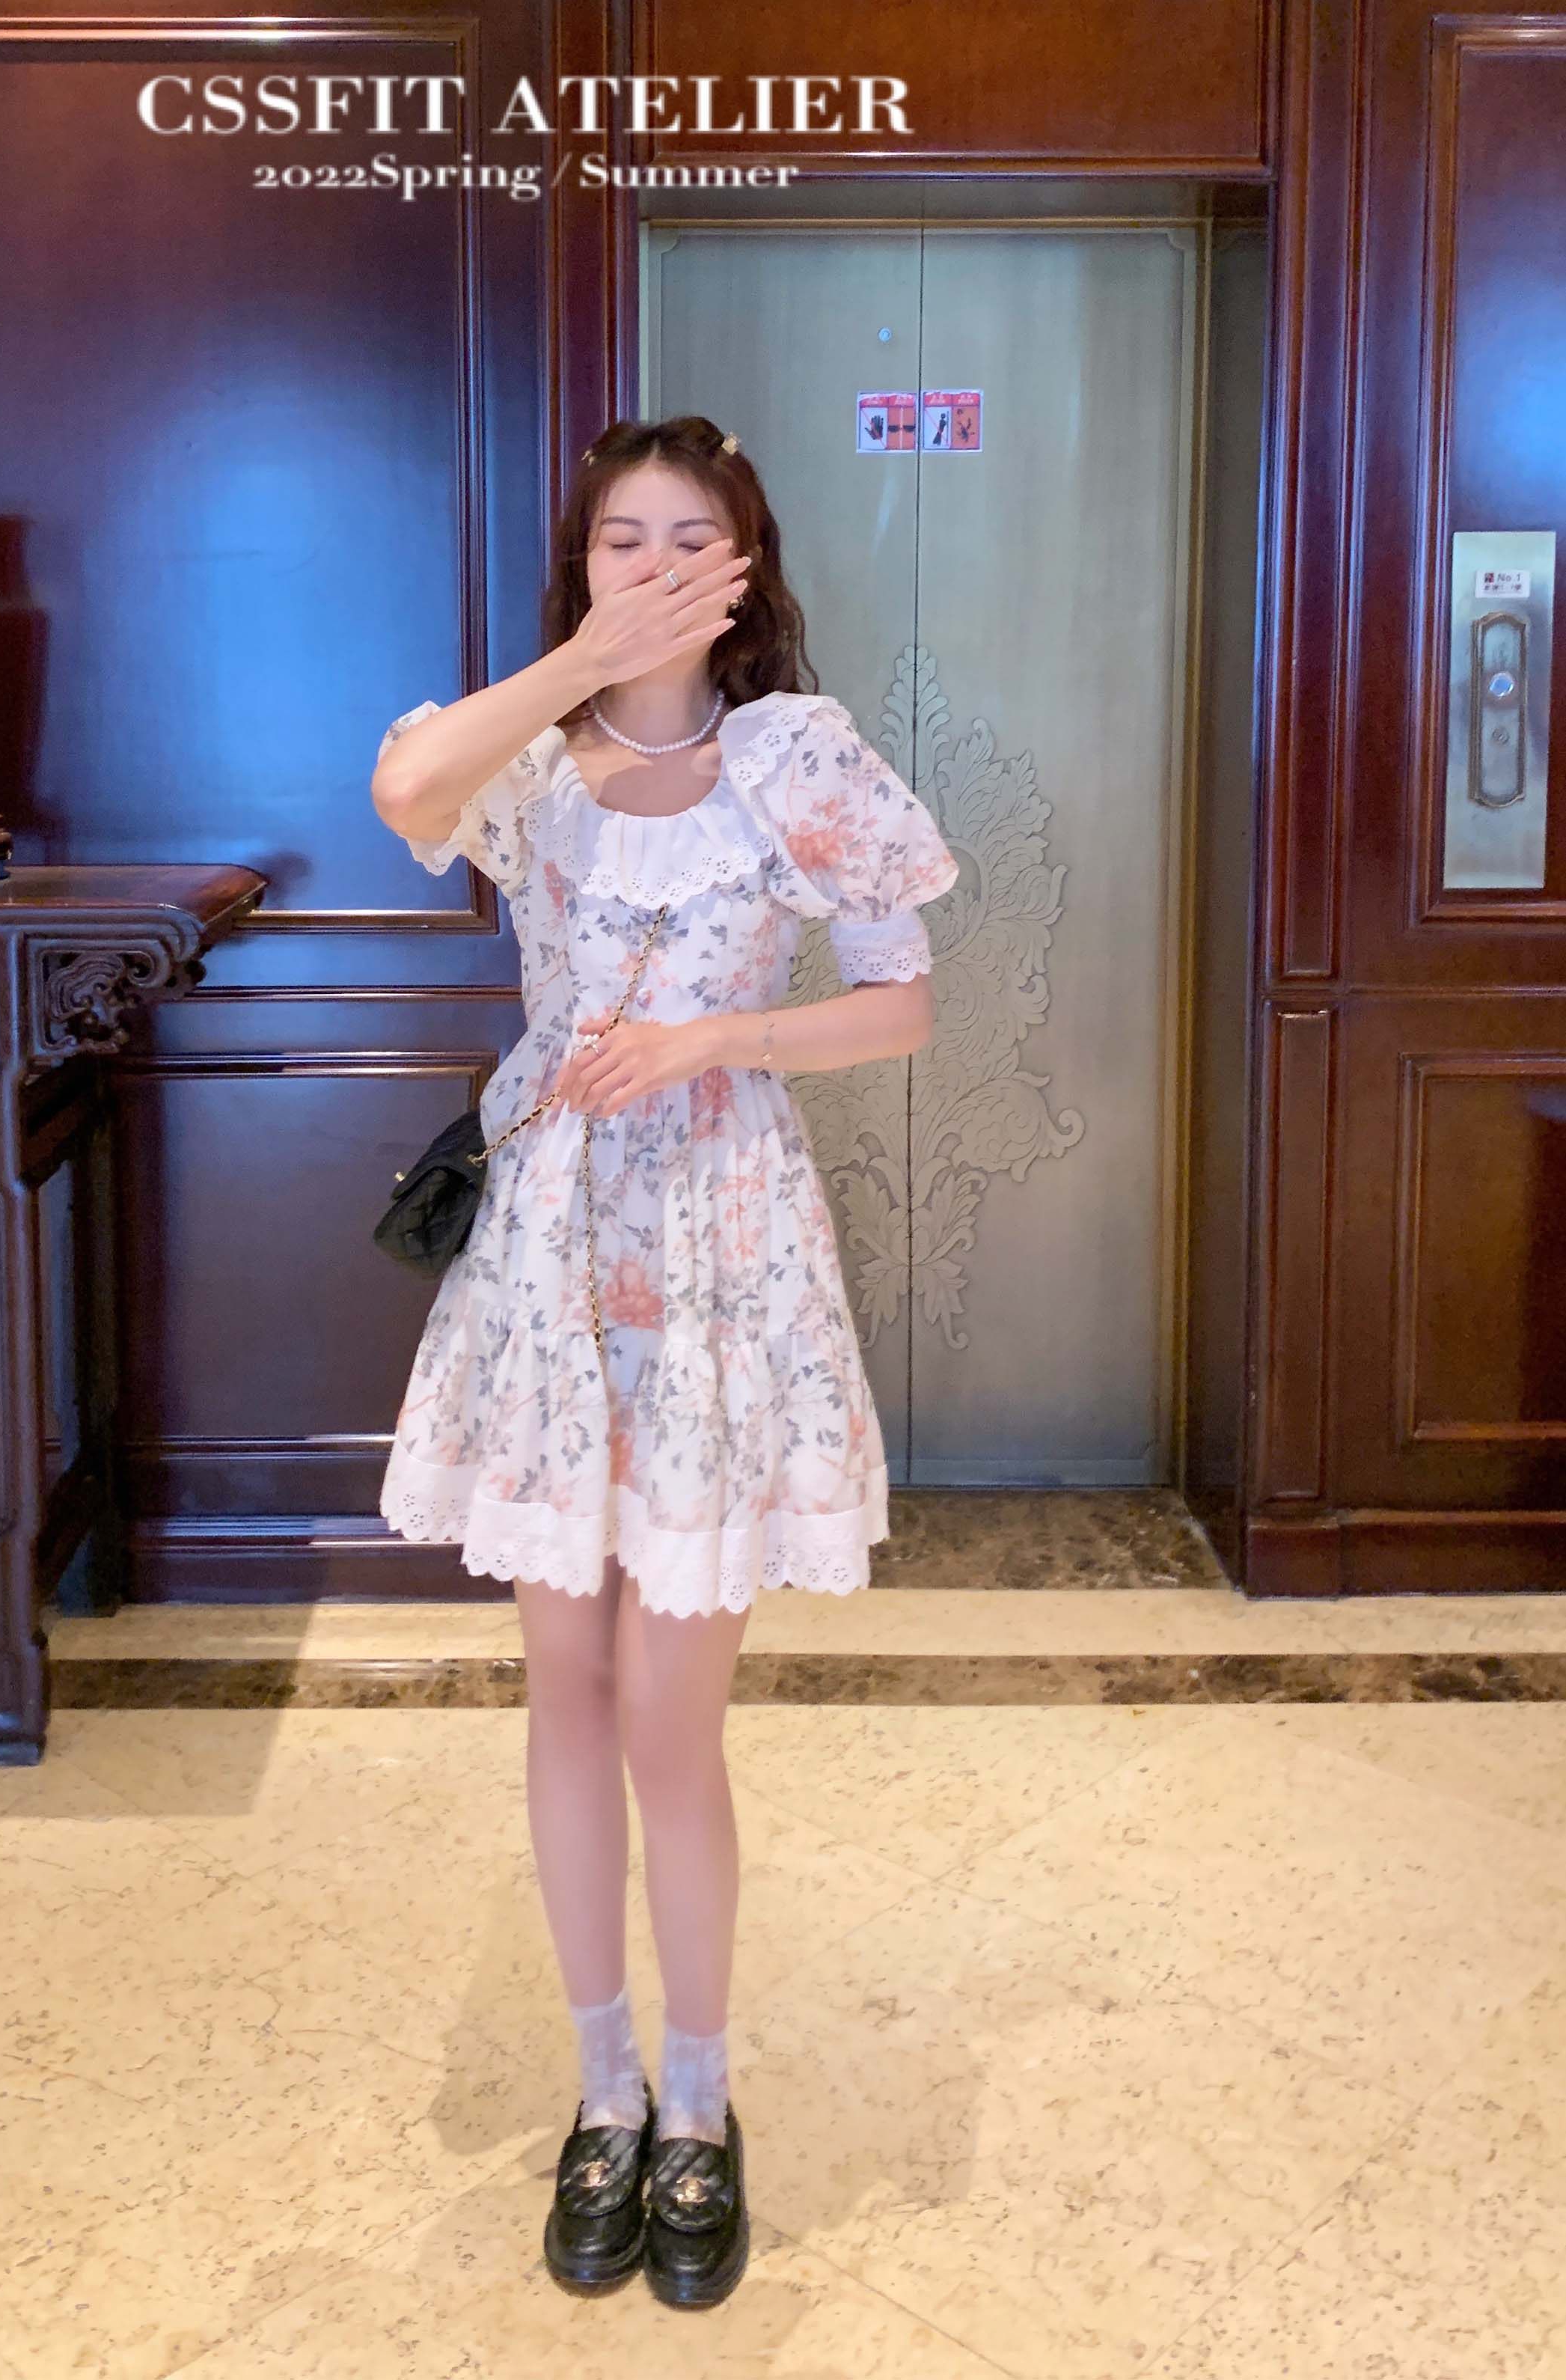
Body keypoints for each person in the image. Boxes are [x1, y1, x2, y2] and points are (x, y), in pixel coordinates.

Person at [369, 415, 958, 2310]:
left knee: (666, 1716)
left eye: (687, 537)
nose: (651, 563)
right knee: (561, 1682)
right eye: (619, 537)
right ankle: (604, 2088)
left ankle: (700, 2102)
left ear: (744, 564)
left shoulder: (796, 757)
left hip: (720, 1252)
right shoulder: (529, 763)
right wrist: (580, 662)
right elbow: (403, 789)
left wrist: (715, 1043)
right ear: (586, 563)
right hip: (552, 1257)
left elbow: (901, 1005)